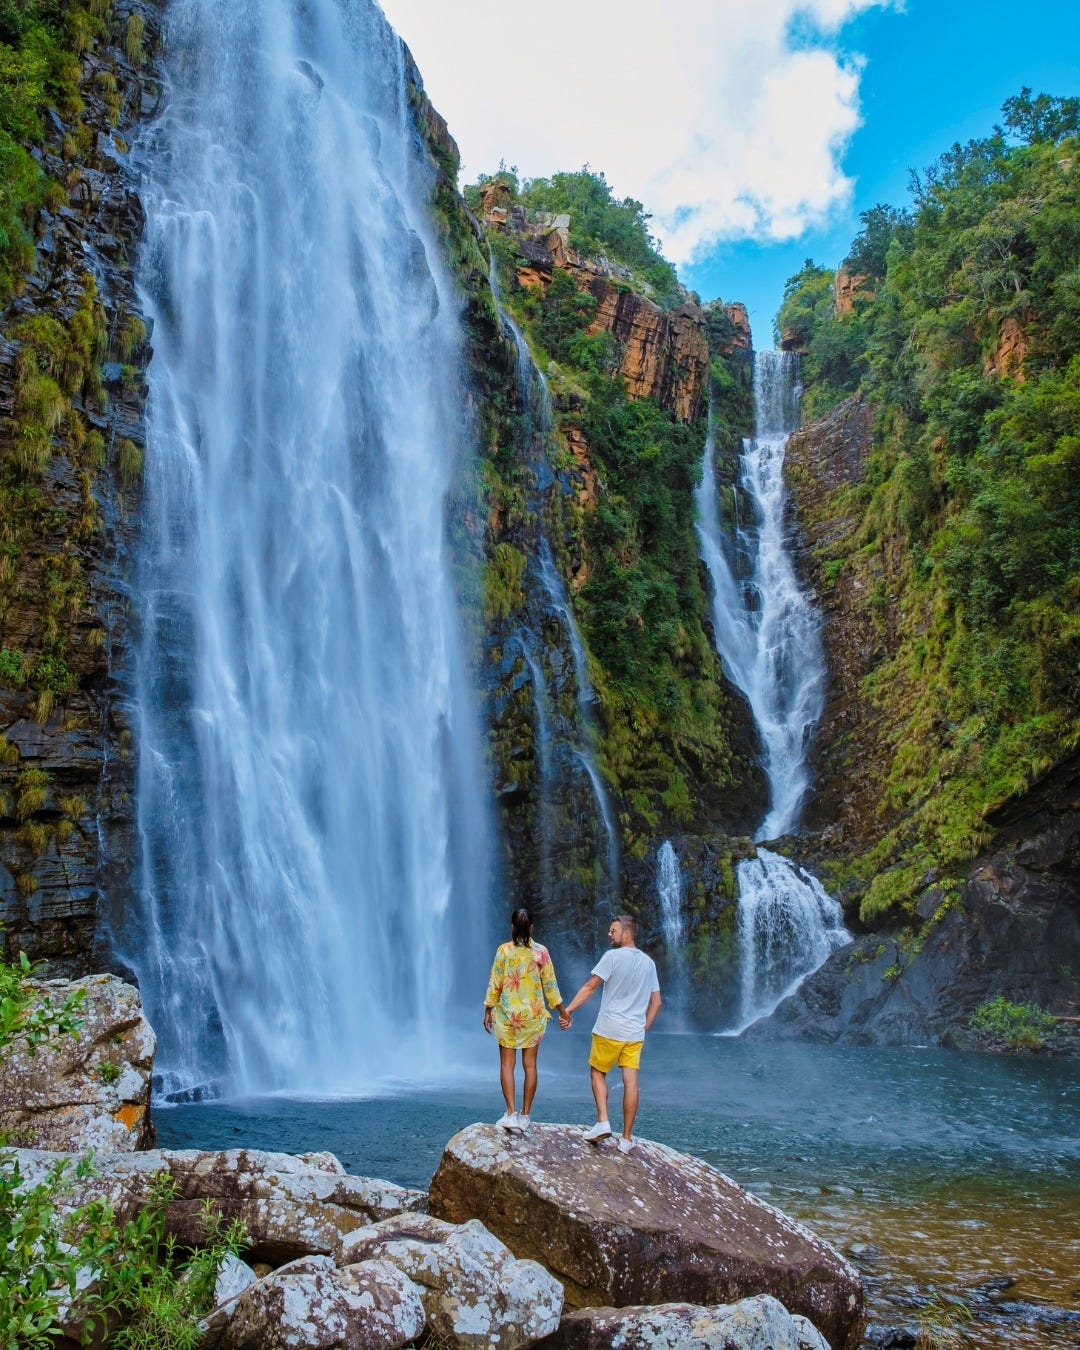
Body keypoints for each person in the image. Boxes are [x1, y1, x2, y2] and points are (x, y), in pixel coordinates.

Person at [561, 914, 661, 1154]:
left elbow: (590, 987)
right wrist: (642, 1028)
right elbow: (656, 1002)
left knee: (597, 1072)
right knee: (631, 1082)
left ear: (626, 933)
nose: (609, 934)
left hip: (609, 1028)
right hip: (634, 1032)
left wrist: (568, 1011)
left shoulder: (612, 957)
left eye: (613, 930)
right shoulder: (649, 963)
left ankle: (603, 1121)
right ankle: (626, 1139)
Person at [483, 907, 567, 1133]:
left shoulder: (504, 951)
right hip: (533, 1016)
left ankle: (510, 1114)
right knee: (530, 1066)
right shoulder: (541, 952)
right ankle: (526, 1115)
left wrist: (488, 1010)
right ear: (532, 927)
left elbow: (495, 983)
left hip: (508, 1016)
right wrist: (562, 1011)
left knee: (506, 1065)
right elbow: (551, 986)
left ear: (512, 927)